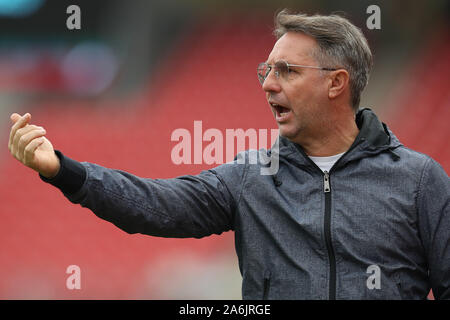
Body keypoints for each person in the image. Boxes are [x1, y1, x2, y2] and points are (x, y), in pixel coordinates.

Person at [8, 10, 449, 300]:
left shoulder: (419, 180)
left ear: (337, 83)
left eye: (287, 71)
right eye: (266, 71)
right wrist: (64, 171)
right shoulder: (249, 177)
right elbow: (155, 206)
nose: (268, 84)